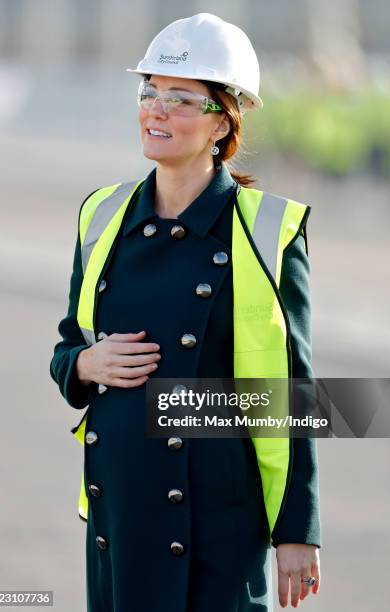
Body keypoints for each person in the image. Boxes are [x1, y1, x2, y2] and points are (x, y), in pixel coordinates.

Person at [50, 12, 321, 612]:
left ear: (224, 119)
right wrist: (87, 363)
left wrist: (297, 530)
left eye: (180, 99)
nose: (156, 110)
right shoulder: (102, 214)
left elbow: (292, 388)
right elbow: (67, 349)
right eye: (148, 92)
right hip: (118, 509)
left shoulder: (268, 229)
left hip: (214, 522)